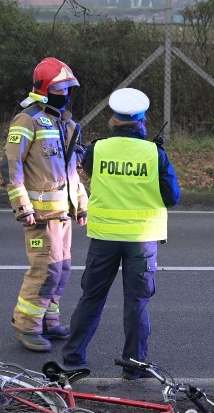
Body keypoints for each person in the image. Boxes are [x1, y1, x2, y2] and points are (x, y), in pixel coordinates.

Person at [61, 87, 181, 379]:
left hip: (103, 237)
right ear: (142, 120)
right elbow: (172, 197)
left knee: (91, 297)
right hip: (141, 239)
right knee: (136, 303)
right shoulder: (155, 153)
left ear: (113, 119)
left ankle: (73, 358)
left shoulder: (97, 149)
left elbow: (88, 173)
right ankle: (133, 366)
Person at [1, 57, 88, 352]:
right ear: (45, 90)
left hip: (63, 214)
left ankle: (49, 321)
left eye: (68, 89)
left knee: (62, 269)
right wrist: (22, 207)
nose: (65, 95)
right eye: (61, 89)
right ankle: (27, 326)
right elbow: (11, 167)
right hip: (38, 215)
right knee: (44, 270)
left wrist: (81, 203)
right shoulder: (28, 120)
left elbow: (72, 172)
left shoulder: (68, 125)